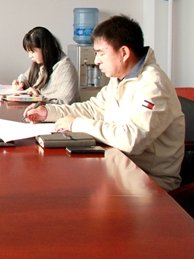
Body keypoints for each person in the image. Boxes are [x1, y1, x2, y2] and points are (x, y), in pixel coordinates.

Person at [23, 15, 185, 191]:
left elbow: (132, 139)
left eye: (101, 53)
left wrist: (76, 124)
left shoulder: (152, 85)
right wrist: (49, 112)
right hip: (118, 166)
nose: (96, 60)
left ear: (124, 53)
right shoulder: (120, 78)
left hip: (149, 181)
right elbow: (93, 108)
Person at [12, 26, 80, 104]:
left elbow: (66, 103)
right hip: (38, 109)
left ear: (45, 49)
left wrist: (38, 97)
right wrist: (21, 84)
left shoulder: (66, 68)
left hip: (56, 111)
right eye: (28, 52)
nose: (30, 56)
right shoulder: (40, 63)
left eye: (32, 52)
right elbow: (25, 78)